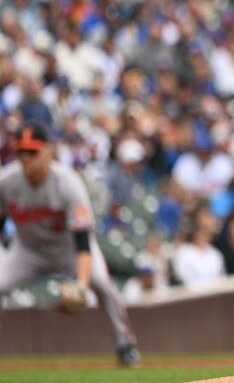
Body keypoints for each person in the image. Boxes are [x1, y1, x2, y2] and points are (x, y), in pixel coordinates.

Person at [0, 121, 141, 367]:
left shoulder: (68, 183)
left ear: (47, 152)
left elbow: (82, 241)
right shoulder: (7, 181)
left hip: (70, 249)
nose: (25, 158)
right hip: (28, 250)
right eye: (21, 151)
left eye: (32, 152)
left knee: (103, 285)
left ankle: (125, 345)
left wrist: (81, 286)